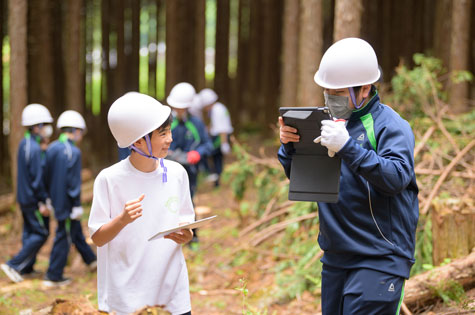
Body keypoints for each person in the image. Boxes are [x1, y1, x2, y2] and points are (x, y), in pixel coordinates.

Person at [277, 38, 419, 315]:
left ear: (364, 88)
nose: (331, 98)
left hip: (381, 258)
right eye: (327, 91)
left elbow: (397, 178)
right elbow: (302, 179)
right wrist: (289, 146)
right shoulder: (325, 123)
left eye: (339, 92)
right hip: (336, 258)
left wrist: (348, 147)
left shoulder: (390, 125)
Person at [88, 92, 195, 315]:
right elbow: (98, 238)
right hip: (127, 299)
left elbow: (186, 222)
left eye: (169, 131)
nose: (170, 139)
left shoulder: (177, 173)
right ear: (137, 140)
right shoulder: (109, 179)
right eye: (163, 133)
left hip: (173, 296)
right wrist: (122, 220)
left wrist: (187, 235)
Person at [43, 110, 97, 287]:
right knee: (63, 236)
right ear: (76, 131)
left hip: (56, 201)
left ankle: (91, 260)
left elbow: (46, 176)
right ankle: (54, 275)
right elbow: (73, 182)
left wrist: (47, 198)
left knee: (74, 232)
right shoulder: (73, 151)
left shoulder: (51, 148)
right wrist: (76, 204)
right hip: (67, 204)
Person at [1, 104, 54, 283]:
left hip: (24, 197)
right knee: (41, 233)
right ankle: (13, 264)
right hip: (32, 199)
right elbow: (37, 179)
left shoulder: (25, 143)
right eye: (44, 124)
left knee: (29, 232)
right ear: (36, 126)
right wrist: (42, 201)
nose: (47, 128)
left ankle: (27, 267)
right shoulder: (34, 148)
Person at [166, 82, 213, 198]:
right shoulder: (166, 123)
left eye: (181, 108)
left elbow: (208, 144)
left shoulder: (196, 123)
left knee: (188, 198)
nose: (178, 110)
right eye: (176, 107)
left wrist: (197, 153)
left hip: (189, 171)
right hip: (167, 170)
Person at [198, 88, 233, 187]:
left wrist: (224, 143)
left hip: (219, 138)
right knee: (217, 158)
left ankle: (211, 174)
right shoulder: (218, 108)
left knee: (205, 152)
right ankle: (216, 181)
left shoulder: (217, 110)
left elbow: (222, 129)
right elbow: (215, 125)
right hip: (219, 137)